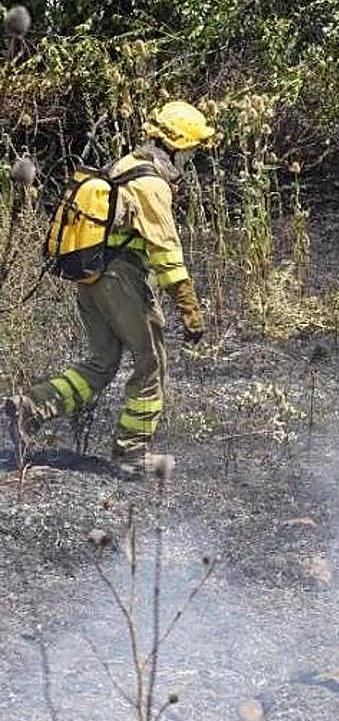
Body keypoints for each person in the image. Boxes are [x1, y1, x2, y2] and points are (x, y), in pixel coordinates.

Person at [4, 100, 214, 478]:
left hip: (92, 277)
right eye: (192, 150)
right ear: (178, 146)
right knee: (151, 363)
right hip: (122, 280)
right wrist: (189, 307)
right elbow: (166, 251)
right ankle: (132, 453)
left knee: (102, 363)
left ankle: (29, 408)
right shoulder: (152, 183)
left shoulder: (124, 166)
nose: (191, 158)